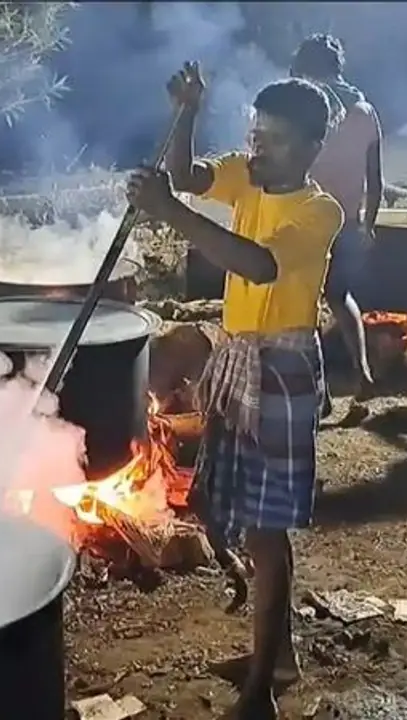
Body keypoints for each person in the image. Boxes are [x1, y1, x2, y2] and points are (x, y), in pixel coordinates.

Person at [127, 63, 341, 720]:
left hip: (281, 371)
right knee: (238, 517)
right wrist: (188, 110)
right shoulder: (245, 176)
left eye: (273, 139)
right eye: (254, 133)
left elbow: (258, 263)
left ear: (309, 147)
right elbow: (187, 175)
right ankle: (276, 654)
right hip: (238, 358)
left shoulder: (317, 211)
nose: (257, 148)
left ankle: (261, 692)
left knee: (268, 530)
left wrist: (169, 213)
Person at [289, 34, 383, 422]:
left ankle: (322, 393)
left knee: (302, 305)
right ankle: (361, 373)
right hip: (347, 218)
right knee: (340, 296)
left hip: (307, 218)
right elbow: (375, 177)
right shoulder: (364, 108)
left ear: (306, 68)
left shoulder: (307, 108)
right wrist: (369, 222)